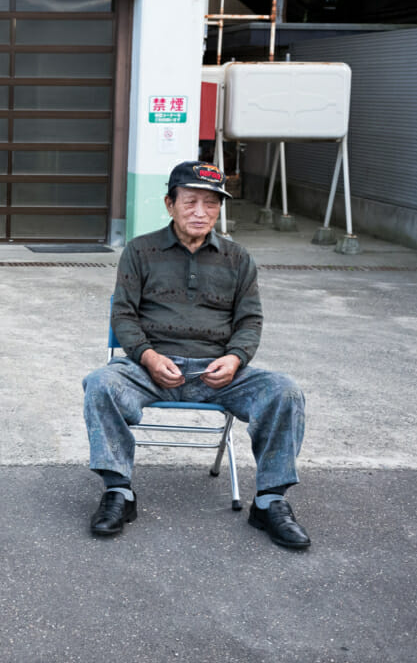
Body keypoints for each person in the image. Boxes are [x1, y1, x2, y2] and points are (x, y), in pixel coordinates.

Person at [82, 160, 310, 550]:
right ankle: (118, 492)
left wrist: (236, 358)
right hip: (149, 367)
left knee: (284, 391)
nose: (200, 212)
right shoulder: (140, 251)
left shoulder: (238, 259)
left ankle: (270, 501)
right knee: (100, 383)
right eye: (190, 202)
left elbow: (250, 321)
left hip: (219, 371)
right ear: (170, 204)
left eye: (211, 203)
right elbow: (123, 314)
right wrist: (149, 357)